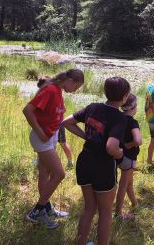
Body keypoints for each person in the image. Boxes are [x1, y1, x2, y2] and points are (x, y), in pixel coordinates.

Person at [62, 77, 131, 245]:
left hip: (84, 161)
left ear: (105, 92)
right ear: (125, 96)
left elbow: (66, 122)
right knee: (106, 212)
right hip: (103, 166)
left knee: (89, 208)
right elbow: (111, 147)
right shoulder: (121, 118)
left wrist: (87, 136)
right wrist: (120, 153)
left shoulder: (93, 107)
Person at [23, 69, 84, 229]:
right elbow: (27, 110)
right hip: (42, 139)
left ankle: (46, 208)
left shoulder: (58, 90)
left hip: (50, 137)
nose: (75, 91)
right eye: (76, 87)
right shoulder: (50, 89)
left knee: (46, 173)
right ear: (70, 80)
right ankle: (36, 212)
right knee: (59, 173)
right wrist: (40, 132)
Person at [115, 94, 142, 220]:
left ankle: (135, 203)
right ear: (133, 107)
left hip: (118, 155)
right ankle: (118, 212)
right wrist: (130, 144)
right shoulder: (132, 122)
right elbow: (138, 140)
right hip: (129, 157)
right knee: (124, 184)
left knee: (129, 182)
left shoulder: (118, 117)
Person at [37, 76, 74, 168]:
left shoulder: (57, 94)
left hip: (58, 123)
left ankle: (70, 162)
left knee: (62, 143)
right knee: (44, 145)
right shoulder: (44, 94)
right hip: (49, 124)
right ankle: (40, 162)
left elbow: (63, 109)